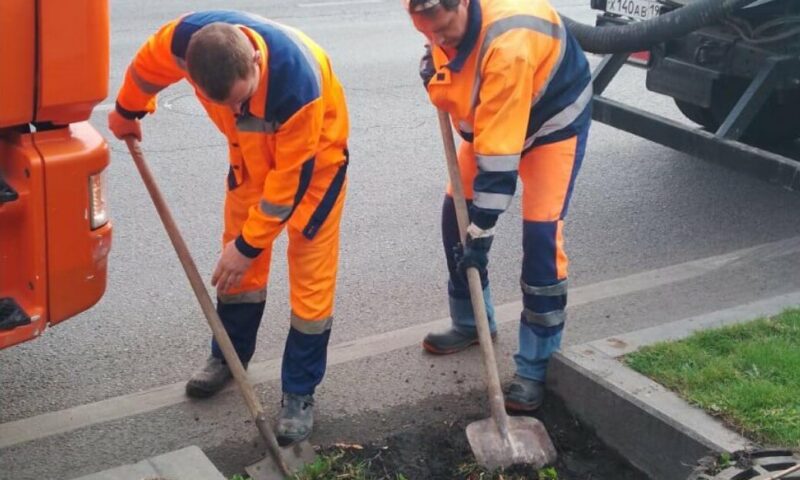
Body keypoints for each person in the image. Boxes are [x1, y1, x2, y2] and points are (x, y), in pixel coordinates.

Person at [107, 10, 349, 445]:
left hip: (314, 170)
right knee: (238, 273)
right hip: (250, 164)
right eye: (226, 104)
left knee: (309, 280)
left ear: (255, 63)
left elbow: (287, 186)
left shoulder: (298, 86)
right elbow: (145, 70)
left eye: (244, 98)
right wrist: (127, 110)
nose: (237, 110)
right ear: (193, 79)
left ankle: (299, 392)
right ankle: (229, 357)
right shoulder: (181, 42)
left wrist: (249, 244)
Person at [405, 0, 591, 411]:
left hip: (551, 121)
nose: (436, 39)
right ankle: (472, 323)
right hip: (497, 119)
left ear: (464, 4)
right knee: (456, 219)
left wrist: (483, 234)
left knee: (541, 238)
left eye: (443, 30)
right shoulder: (438, 25)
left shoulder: (508, 45)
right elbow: (464, 90)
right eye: (425, 31)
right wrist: (434, 64)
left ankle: (536, 366)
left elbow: (499, 161)